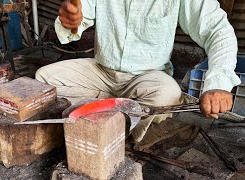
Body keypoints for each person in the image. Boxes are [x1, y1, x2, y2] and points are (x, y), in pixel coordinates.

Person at [36, 0, 241, 142]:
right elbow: (78, 15)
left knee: (167, 95)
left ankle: (118, 130)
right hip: (102, 72)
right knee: (43, 79)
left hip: (147, 79)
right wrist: (70, 21)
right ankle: (119, 108)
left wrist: (218, 85)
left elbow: (217, 30)